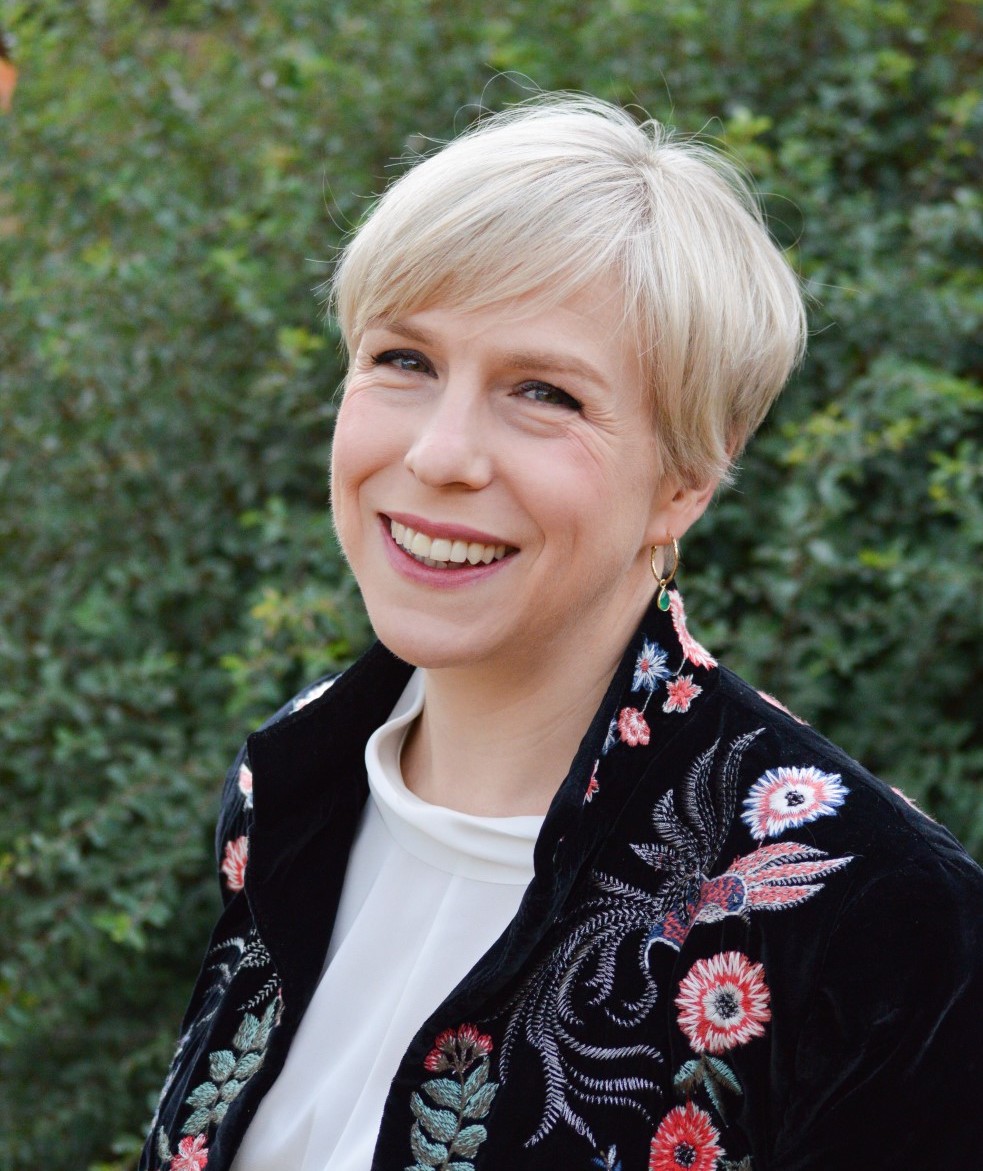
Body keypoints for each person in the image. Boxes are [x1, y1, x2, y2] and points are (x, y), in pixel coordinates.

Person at [140, 96, 983, 1171]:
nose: (441, 454)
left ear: (685, 478)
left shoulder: (876, 921)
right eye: (402, 360)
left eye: (542, 392)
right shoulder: (292, 782)